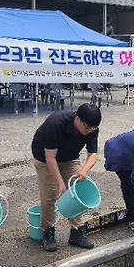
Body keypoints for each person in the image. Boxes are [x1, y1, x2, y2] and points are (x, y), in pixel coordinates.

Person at [31, 104, 102, 252]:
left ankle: (76, 231)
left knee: (77, 191)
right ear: (78, 119)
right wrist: (60, 183)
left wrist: (84, 170)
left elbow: (93, 154)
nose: (89, 131)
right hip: (45, 158)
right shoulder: (55, 123)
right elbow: (50, 158)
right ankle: (47, 231)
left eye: (92, 129)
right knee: (50, 194)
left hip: (70, 157)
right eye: (87, 128)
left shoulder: (92, 128)